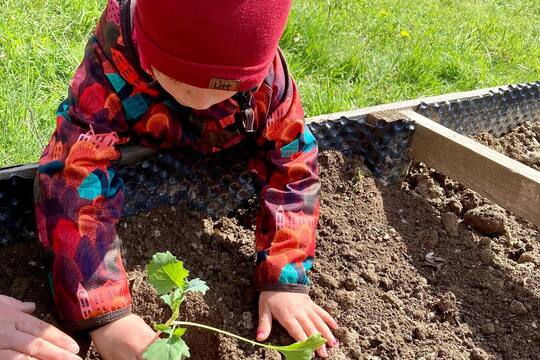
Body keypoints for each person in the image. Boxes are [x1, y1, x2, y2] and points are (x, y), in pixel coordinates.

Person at [30, 0, 339, 359]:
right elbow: (73, 171)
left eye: (223, 89)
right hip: (138, 128)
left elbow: (294, 164)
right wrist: (103, 313)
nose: (201, 101)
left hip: (221, 142)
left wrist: (285, 278)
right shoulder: (112, 59)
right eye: (178, 79)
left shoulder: (267, 82)